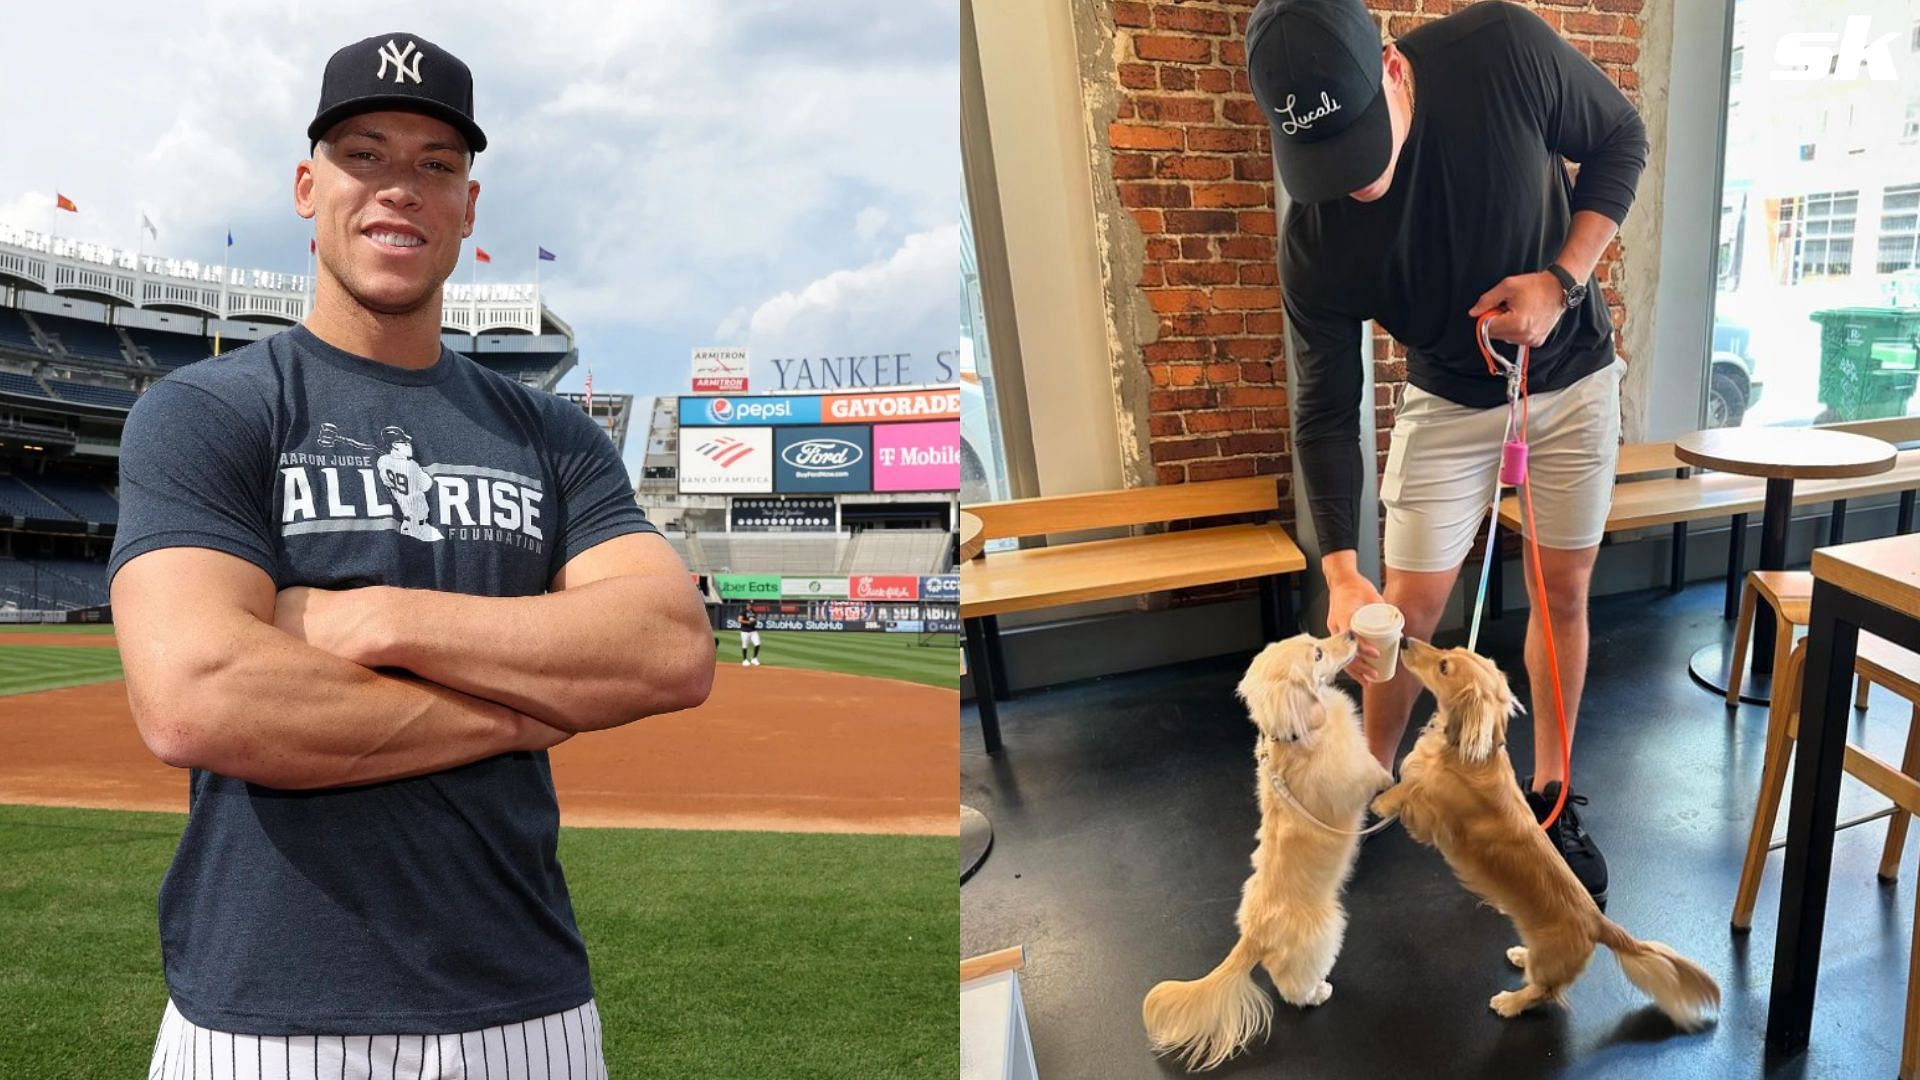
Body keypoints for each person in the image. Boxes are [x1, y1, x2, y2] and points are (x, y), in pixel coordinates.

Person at [108, 32, 714, 1078]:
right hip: (258, 1013)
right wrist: (525, 712)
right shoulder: (207, 412)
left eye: (438, 164)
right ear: (309, 185)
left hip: (524, 1009)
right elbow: (201, 698)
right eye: (367, 155)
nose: (403, 189)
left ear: (469, 206)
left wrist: (375, 617)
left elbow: (667, 648)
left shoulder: (550, 437)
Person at [1246, 0, 1648, 904]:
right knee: (1403, 610)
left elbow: (1622, 138)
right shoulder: (1314, 240)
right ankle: (1369, 783)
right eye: (1324, 167)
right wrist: (1342, 572)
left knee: (1562, 591)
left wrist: (1561, 279)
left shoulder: (1500, 51)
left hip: (1572, 373)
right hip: (1445, 397)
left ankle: (1549, 795)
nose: (1354, 187)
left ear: (1391, 69)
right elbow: (1324, 404)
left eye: (1360, 148)